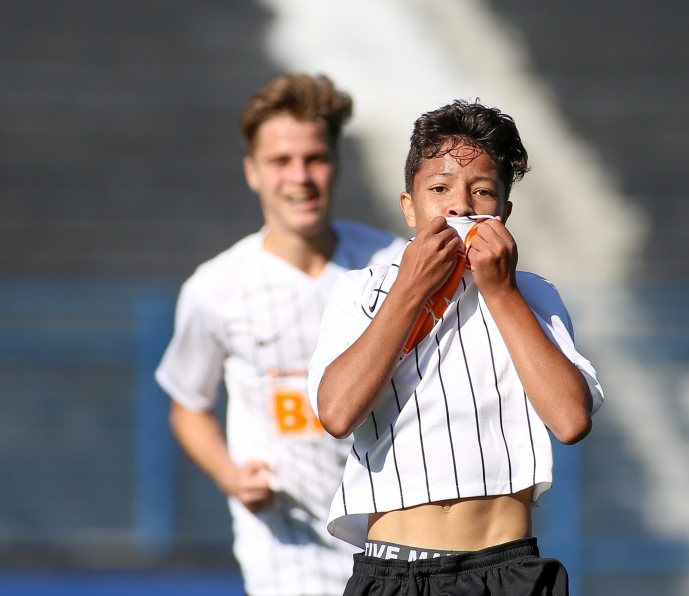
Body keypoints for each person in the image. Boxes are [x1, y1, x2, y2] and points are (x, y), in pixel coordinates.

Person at [307, 99, 605, 595]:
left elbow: (571, 420)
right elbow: (337, 413)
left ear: (505, 212)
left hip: (504, 567)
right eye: (439, 188)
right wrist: (409, 290)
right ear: (409, 206)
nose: (460, 206)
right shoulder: (361, 291)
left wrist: (502, 292)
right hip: (394, 571)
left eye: (482, 191)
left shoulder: (532, 294)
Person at [154, 73, 406, 596]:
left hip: (396, 548)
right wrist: (229, 474)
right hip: (288, 556)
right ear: (252, 171)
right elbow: (187, 405)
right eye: (280, 161)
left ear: (336, 163)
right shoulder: (215, 288)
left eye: (314, 157)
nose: (301, 176)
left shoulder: (393, 266)